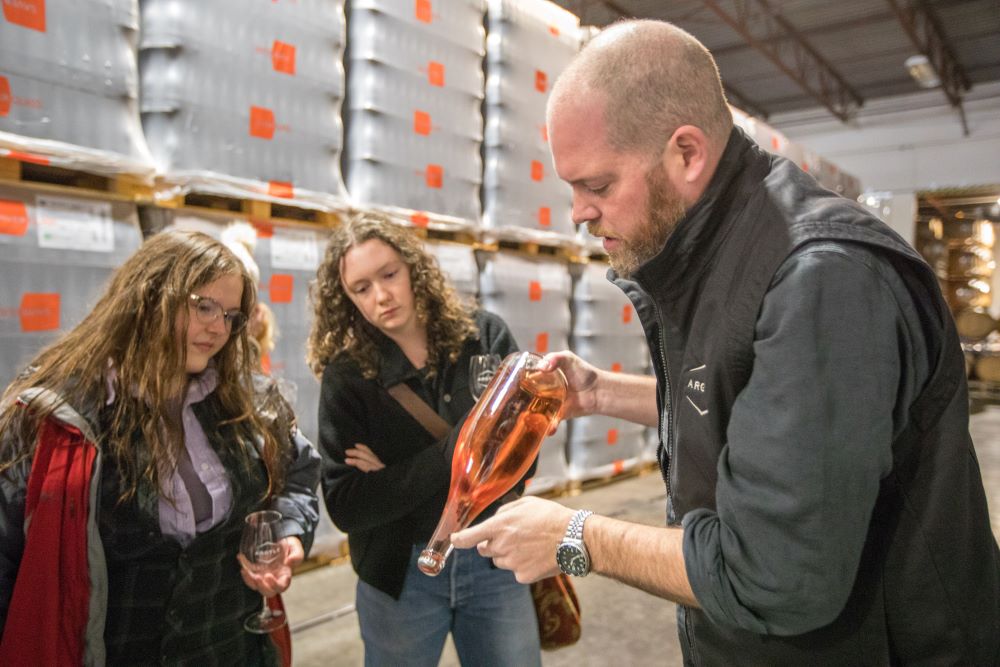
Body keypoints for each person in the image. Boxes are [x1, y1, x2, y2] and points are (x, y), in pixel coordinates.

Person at [451, 19, 1000, 664]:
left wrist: (573, 535)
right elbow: (754, 395)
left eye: (597, 186)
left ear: (686, 153)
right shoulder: (724, 249)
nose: (577, 211)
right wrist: (601, 394)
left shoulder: (823, 280)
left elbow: (772, 577)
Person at [0, 230, 321, 665]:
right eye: (203, 305)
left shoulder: (251, 401)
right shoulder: (61, 419)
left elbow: (298, 472)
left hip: (234, 650)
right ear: (150, 298)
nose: (218, 328)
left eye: (230, 316)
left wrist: (288, 533)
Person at [307, 212, 541, 667]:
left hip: (494, 556)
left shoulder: (485, 337)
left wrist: (394, 478)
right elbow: (350, 505)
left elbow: (523, 461)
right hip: (400, 575)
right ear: (347, 298)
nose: (381, 296)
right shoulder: (348, 377)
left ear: (413, 267)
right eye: (361, 288)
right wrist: (466, 445)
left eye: (389, 274)